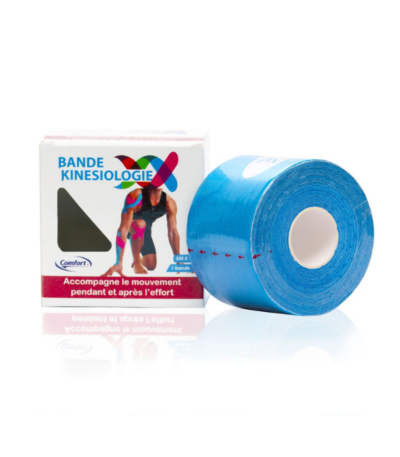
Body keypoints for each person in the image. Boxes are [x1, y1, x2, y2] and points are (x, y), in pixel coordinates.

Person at [101, 187, 179, 276]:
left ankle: (138, 259)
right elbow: (123, 228)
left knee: (151, 265)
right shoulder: (136, 196)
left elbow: (173, 232)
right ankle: (137, 262)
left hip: (146, 231)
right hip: (131, 226)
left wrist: (178, 260)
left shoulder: (169, 202)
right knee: (140, 224)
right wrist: (118, 262)